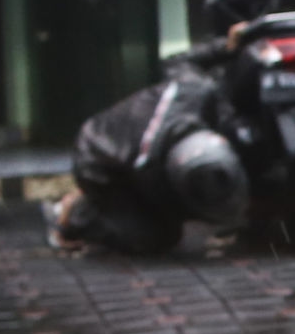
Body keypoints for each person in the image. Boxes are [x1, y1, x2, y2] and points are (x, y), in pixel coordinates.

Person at [48, 60, 248, 255]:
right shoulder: (150, 164)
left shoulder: (204, 94)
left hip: (141, 150)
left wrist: (227, 46)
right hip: (100, 161)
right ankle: (77, 213)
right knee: (155, 237)